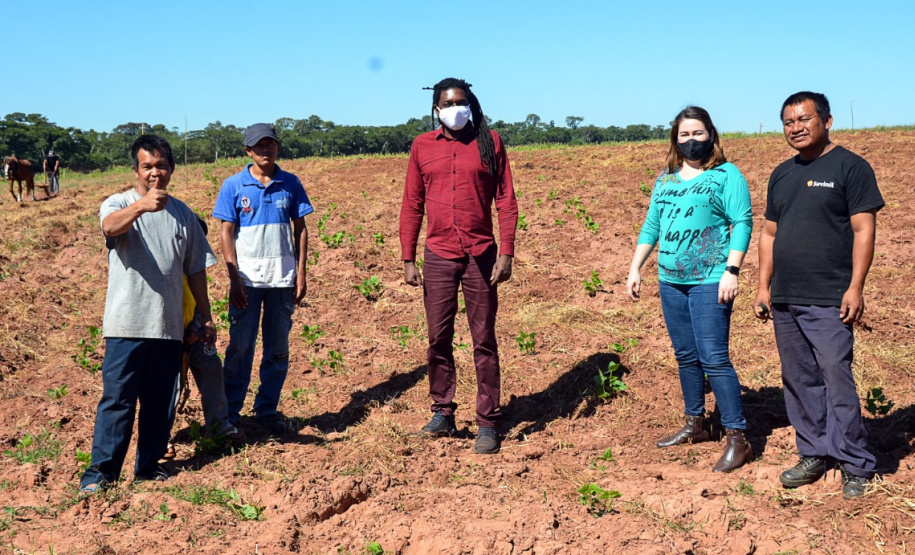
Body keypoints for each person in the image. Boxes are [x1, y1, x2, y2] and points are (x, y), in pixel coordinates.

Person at [754, 91, 884, 499]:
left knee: (836, 378)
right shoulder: (782, 174)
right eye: (788, 122)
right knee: (798, 379)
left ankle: (856, 463)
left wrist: (856, 287)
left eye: (804, 119)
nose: (796, 127)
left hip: (830, 295)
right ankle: (814, 452)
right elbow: (769, 233)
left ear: (826, 121)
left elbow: (864, 229)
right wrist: (762, 286)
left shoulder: (851, 167)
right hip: (786, 296)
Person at [80, 135, 217, 492]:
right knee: (118, 401)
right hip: (127, 324)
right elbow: (109, 227)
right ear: (135, 170)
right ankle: (100, 475)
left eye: (161, 165)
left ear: (171, 168)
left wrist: (205, 316)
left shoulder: (184, 213)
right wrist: (142, 206)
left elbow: (196, 270)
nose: (155, 172)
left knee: (159, 403)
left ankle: (148, 466)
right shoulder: (119, 203)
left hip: (168, 326)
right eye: (147, 166)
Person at [627, 106, 753, 472]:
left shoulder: (726, 176)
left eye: (697, 133)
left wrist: (732, 270)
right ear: (675, 139)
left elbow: (742, 222)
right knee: (686, 355)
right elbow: (652, 225)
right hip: (671, 281)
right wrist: (636, 267)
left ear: (711, 135)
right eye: (684, 135)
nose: (691, 140)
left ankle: (737, 437)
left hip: (710, 279)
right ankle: (696, 423)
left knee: (714, 358)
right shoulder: (665, 180)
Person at [399, 78, 518, 454]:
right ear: (437, 110)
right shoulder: (422, 147)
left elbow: (506, 200)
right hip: (439, 254)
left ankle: (487, 421)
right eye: (448, 104)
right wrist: (407, 257)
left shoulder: (490, 142)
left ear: (471, 104)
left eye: (461, 102)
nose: (455, 109)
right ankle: (443, 413)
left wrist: (507, 252)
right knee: (438, 338)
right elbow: (411, 203)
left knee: (483, 340)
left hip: (481, 255)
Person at [213, 123, 313, 435]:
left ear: (277, 148)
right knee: (240, 348)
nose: (265, 151)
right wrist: (233, 278)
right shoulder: (233, 186)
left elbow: (302, 229)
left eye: (270, 145)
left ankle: (266, 410)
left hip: (282, 282)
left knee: (278, 349)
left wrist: (301, 273)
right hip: (247, 283)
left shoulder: (290, 183)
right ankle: (230, 413)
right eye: (259, 146)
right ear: (248, 151)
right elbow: (226, 232)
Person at [163, 217, 245, 460]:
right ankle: (160, 436)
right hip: (167, 334)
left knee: (211, 368)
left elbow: (200, 300)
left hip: (194, 331)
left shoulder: (194, 269)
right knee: (168, 385)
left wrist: (199, 327)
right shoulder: (166, 266)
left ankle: (219, 425)